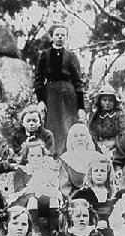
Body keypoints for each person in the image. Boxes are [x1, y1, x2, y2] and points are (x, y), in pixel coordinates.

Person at [33, 24, 86, 155]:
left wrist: (81, 107)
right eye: (57, 34)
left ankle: (69, 155)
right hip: (50, 94)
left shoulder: (71, 56)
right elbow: (38, 79)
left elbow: (78, 81)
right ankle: (52, 155)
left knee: (68, 124)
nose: (60, 37)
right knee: (52, 124)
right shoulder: (44, 55)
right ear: (51, 37)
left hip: (68, 94)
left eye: (63, 35)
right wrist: (40, 100)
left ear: (66, 38)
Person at [8, 141, 63, 236]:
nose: (36, 159)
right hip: (27, 204)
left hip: (46, 204)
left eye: (39, 156)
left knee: (53, 200)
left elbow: (55, 187)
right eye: (32, 155)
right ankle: (35, 231)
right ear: (26, 157)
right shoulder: (22, 171)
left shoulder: (48, 172)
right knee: (33, 199)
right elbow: (19, 191)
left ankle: (54, 231)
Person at [57, 123, 104, 198]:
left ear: (87, 137)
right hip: (75, 200)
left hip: (98, 197)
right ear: (71, 139)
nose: (79, 139)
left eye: (82, 135)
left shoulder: (98, 157)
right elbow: (64, 188)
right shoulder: (64, 160)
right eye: (75, 136)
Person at [87, 84, 125, 155]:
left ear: (114, 102)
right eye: (104, 100)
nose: (107, 103)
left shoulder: (119, 114)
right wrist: (98, 144)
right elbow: (92, 131)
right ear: (100, 101)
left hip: (117, 146)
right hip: (101, 145)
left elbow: (123, 131)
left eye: (110, 100)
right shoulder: (96, 115)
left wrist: (115, 144)